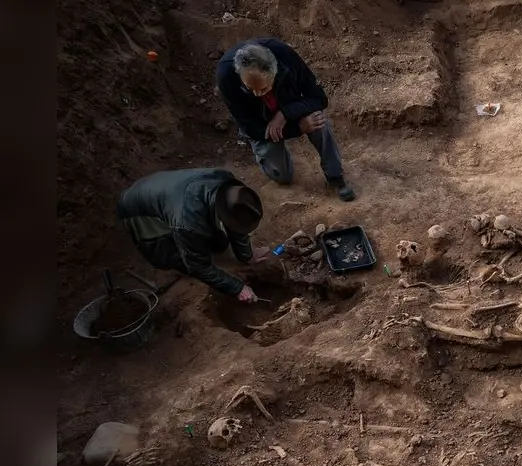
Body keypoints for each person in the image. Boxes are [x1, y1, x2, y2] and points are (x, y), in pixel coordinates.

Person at [216, 38, 355, 201]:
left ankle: (335, 176)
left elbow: (319, 99)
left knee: (318, 121)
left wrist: (284, 114)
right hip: (261, 125)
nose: (257, 94)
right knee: (283, 177)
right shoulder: (226, 77)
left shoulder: (286, 57)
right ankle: (271, 160)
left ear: (274, 72)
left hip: (288, 108)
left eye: (263, 88)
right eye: (249, 88)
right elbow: (250, 129)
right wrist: (298, 129)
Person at [117, 168, 270, 302]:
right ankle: (167, 247)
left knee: (218, 243)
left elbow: (236, 221)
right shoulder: (188, 221)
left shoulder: (229, 186)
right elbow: (198, 267)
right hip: (136, 208)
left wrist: (247, 255)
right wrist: (237, 288)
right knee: (171, 259)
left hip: (169, 193)